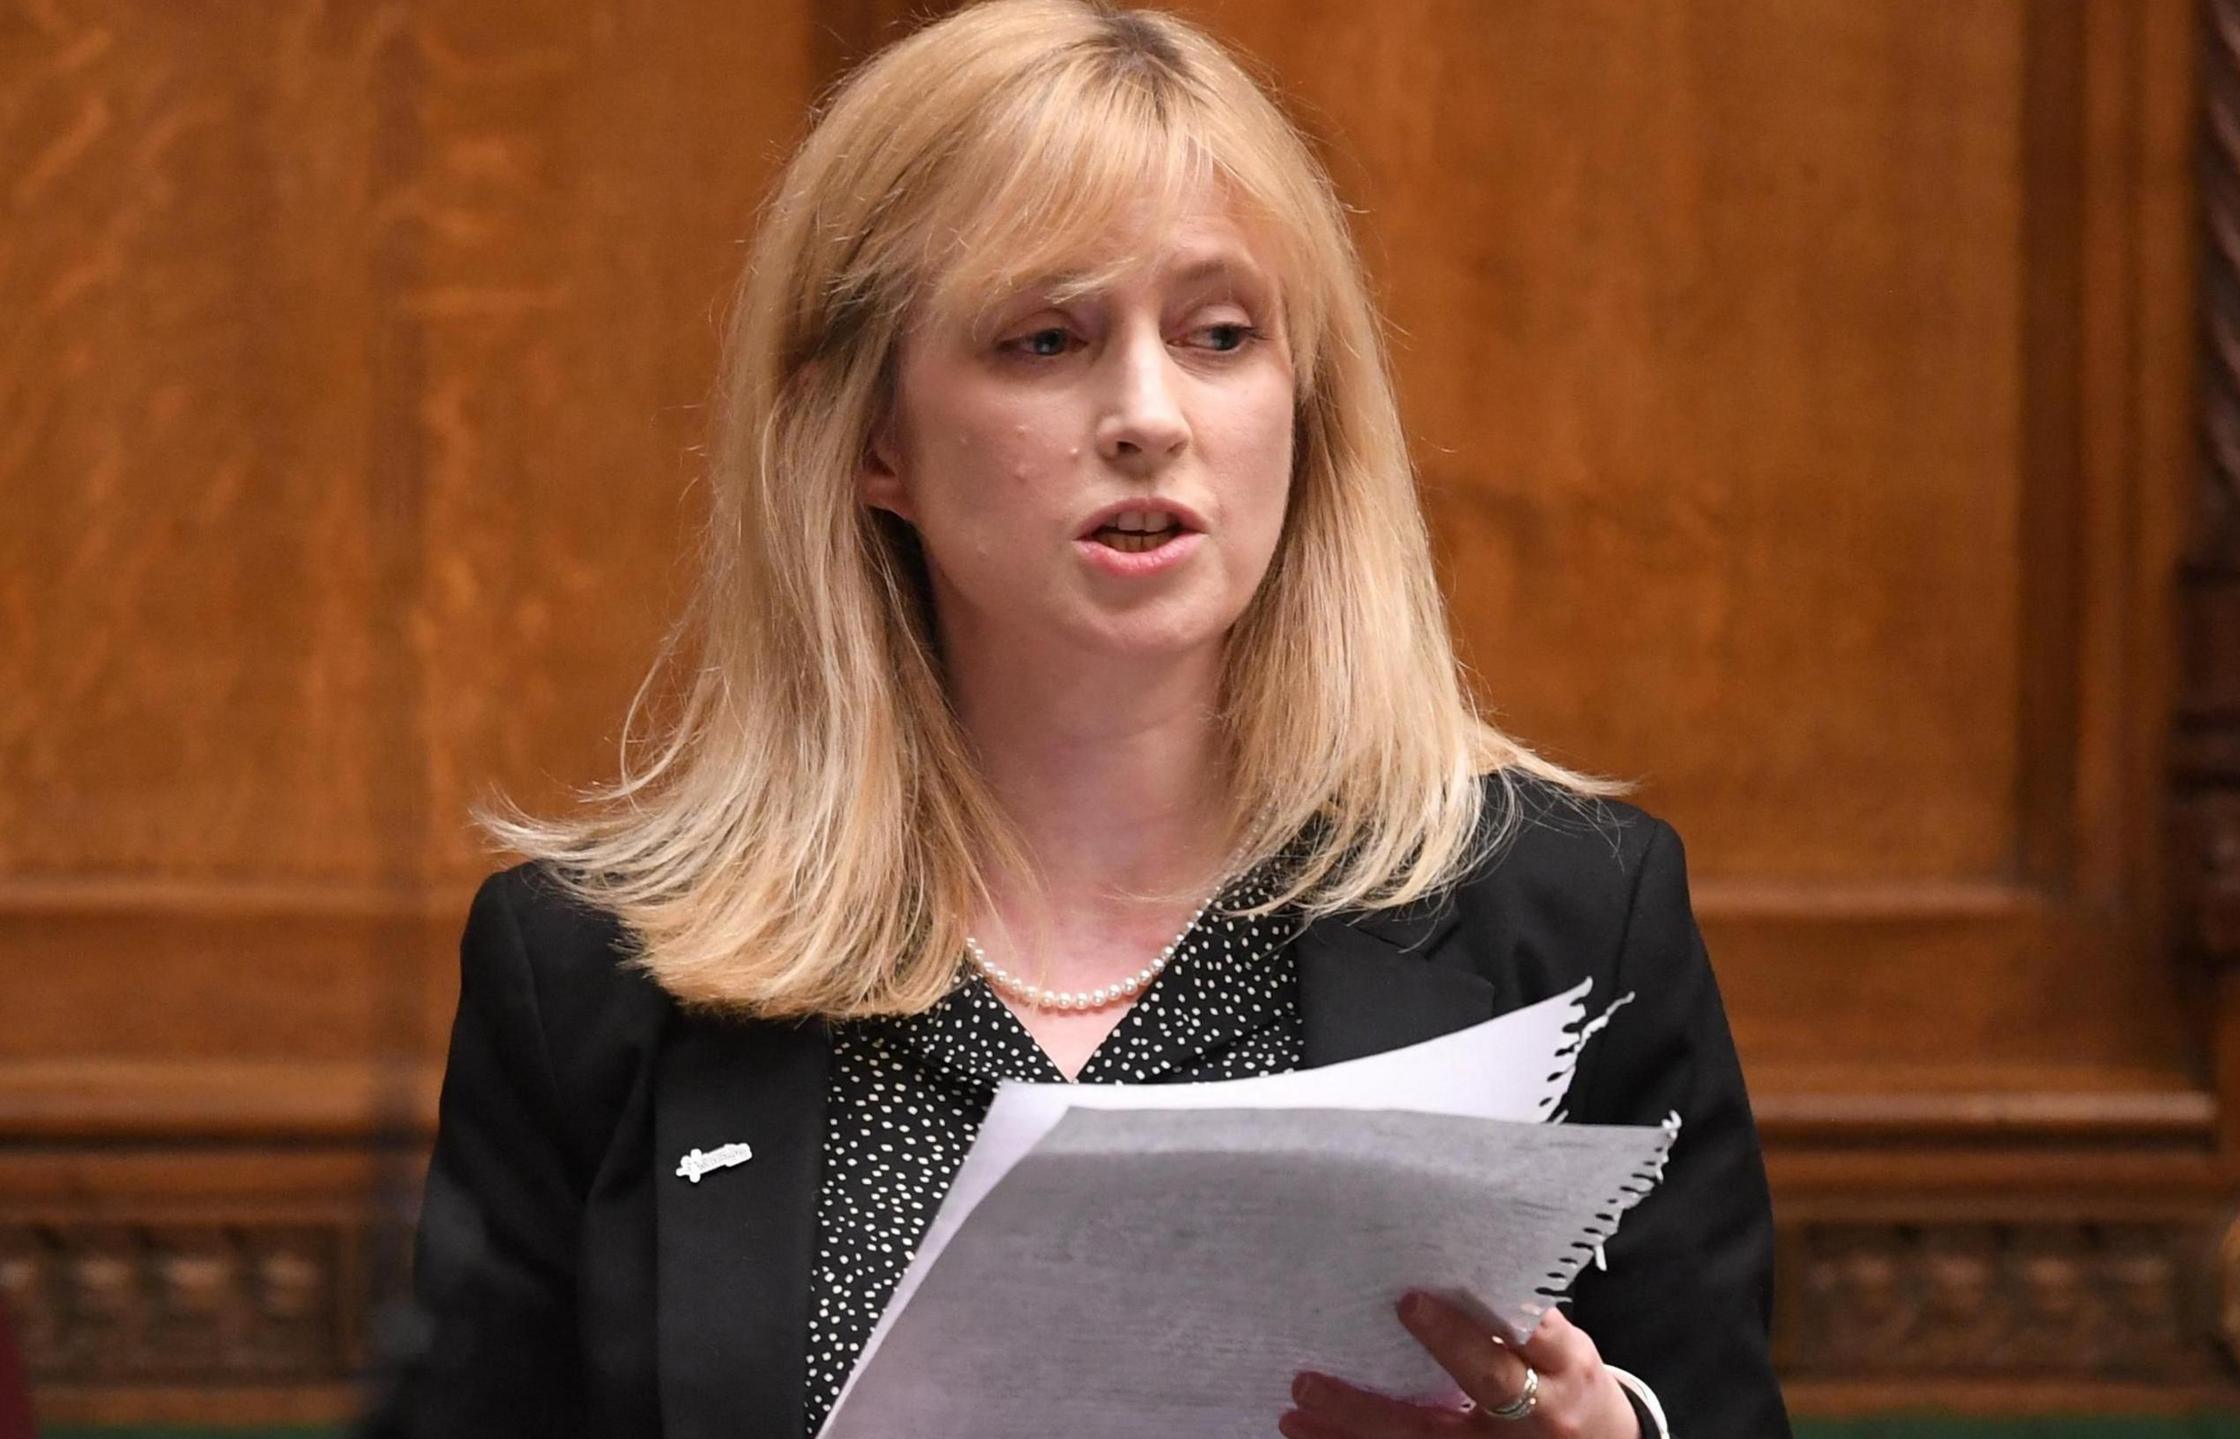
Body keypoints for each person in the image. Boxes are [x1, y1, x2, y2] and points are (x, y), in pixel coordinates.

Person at [365, 2, 1790, 1436]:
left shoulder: (1570, 915)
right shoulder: (593, 977)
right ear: (870, 439)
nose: (1149, 414)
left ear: (1303, 400)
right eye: (1046, 340)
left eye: (1221, 334)